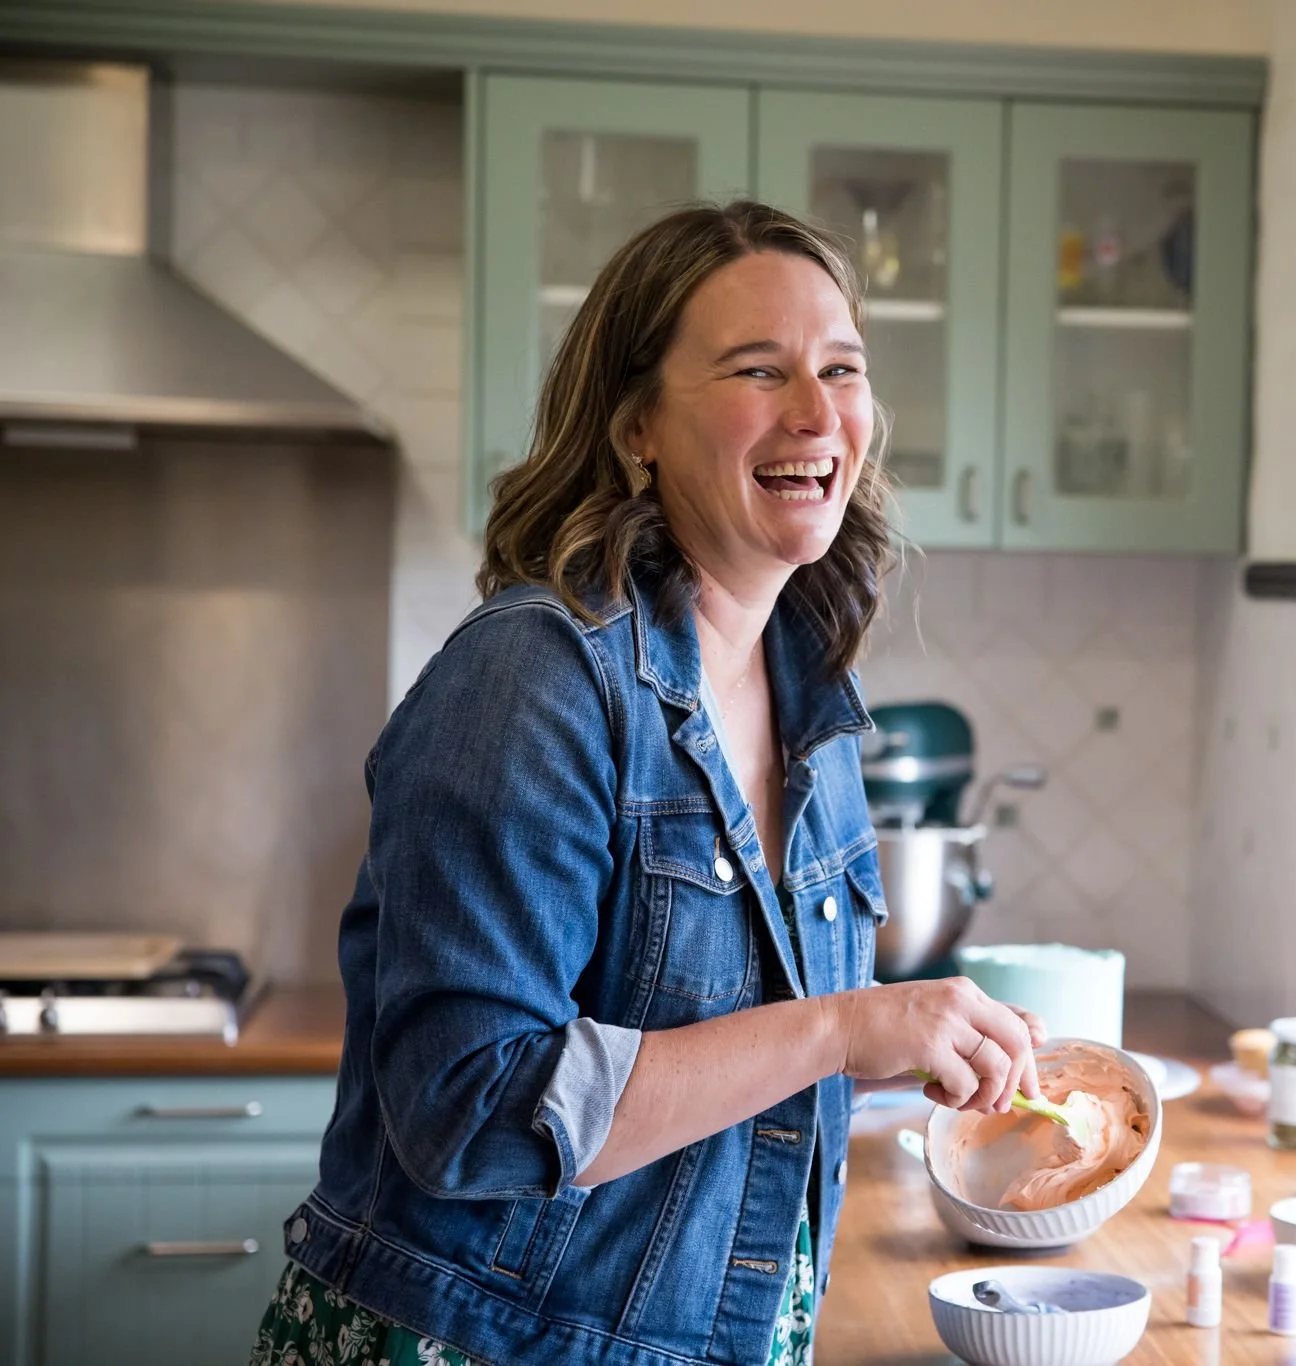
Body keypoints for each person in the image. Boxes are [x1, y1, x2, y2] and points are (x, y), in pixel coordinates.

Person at [249, 200, 1045, 1366]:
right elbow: (468, 1107)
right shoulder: (534, 675)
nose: (818, 415)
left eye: (841, 369)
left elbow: (751, 1072)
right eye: (758, 370)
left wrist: (923, 1045)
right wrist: (842, 1027)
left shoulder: (812, 705)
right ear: (636, 426)